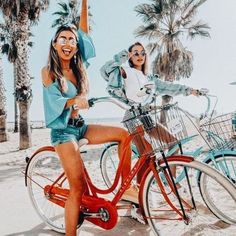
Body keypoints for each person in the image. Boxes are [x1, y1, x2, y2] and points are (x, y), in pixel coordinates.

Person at [41, 1, 136, 235]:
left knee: (124, 136)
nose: (68, 43)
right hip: (63, 133)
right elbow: (54, 100)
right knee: (77, 188)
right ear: (54, 44)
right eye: (63, 39)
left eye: (72, 40)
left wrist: (84, 3)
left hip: (80, 127)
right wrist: (74, 100)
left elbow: (84, 31)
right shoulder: (49, 72)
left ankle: (126, 188)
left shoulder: (79, 65)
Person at [100, 42, 200, 183]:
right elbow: (104, 71)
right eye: (135, 53)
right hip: (133, 117)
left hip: (146, 116)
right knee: (147, 154)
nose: (139, 56)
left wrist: (190, 90)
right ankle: (140, 190)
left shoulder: (149, 78)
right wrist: (121, 57)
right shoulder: (124, 71)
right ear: (130, 56)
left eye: (142, 53)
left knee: (174, 143)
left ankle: (169, 182)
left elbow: (169, 87)